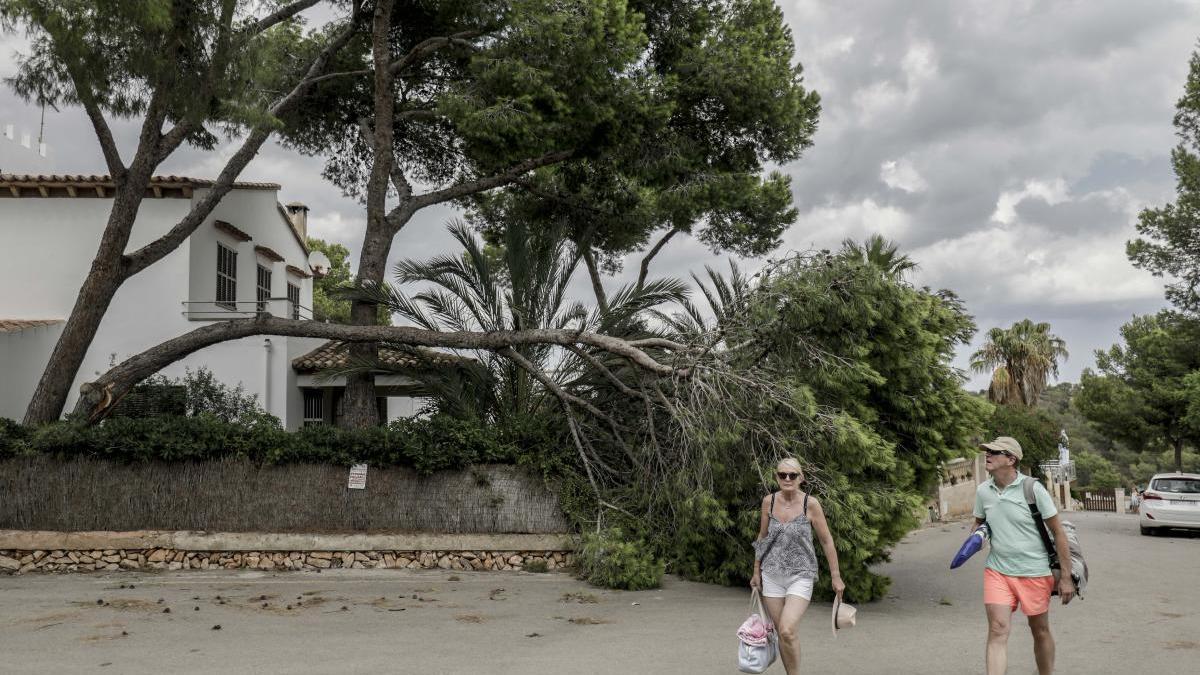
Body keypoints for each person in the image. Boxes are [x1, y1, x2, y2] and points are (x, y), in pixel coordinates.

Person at [972, 436, 1075, 675]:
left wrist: (1066, 577)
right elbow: (978, 525)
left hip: (1034, 571)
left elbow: (1058, 532)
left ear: (1011, 459)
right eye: (987, 451)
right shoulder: (983, 491)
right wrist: (975, 540)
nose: (987, 455)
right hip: (997, 570)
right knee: (997, 629)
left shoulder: (1032, 489)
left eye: (995, 452)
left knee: (1039, 630)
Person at [751, 458, 844, 674]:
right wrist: (756, 570)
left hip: (801, 575)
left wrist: (836, 575)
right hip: (771, 575)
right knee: (782, 634)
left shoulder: (810, 504)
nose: (787, 479)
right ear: (776, 477)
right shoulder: (769, 502)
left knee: (787, 629)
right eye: (782, 475)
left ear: (801, 478)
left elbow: (826, 540)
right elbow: (763, 536)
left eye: (792, 475)